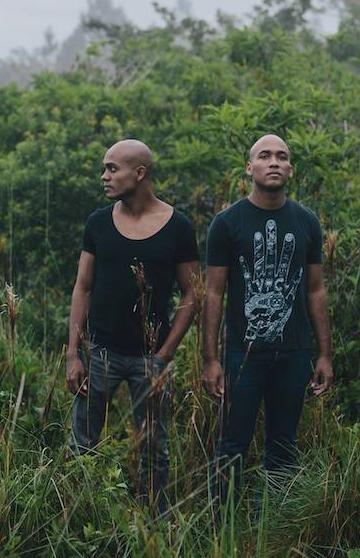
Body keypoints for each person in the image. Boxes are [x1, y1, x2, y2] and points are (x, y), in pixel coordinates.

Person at [66, 139, 199, 516]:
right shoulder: (98, 222)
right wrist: (74, 353)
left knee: (154, 450)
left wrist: (164, 354)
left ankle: (153, 524)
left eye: (112, 168)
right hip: (99, 354)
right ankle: (81, 519)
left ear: (139, 173)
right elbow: (83, 287)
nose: (104, 176)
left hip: (149, 358)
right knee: (82, 444)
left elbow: (193, 292)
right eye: (104, 168)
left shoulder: (178, 227)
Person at [202, 133, 332, 510]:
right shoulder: (227, 223)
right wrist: (211, 359)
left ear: (290, 169)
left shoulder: (306, 222)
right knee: (232, 445)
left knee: (283, 446)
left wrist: (324, 354)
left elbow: (315, 290)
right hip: (243, 354)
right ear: (249, 167)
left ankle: (276, 525)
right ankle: (223, 526)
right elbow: (213, 293)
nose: (274, 162)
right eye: (264, 156)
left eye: (281, 156)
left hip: (293, 353)